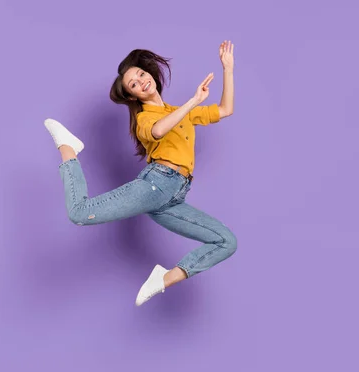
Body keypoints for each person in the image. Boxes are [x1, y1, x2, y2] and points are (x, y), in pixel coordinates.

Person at [43, 41, 237, 306]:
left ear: (151, 75)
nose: (141, 81)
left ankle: (164, 278)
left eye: (142, 75)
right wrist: (192, 102)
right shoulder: (145, 118)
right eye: (133, 84)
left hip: (174, 197)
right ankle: (68, 148)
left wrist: (228, 69)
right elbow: (158, 131)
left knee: (226, 241)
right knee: (79, 212)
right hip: (156, 185)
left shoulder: (177, 112)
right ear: (132, 96)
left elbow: (226, 110)